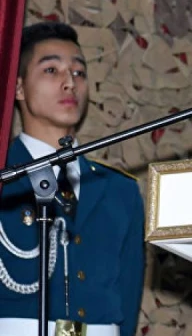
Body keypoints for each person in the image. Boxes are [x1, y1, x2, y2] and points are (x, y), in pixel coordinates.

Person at [0, 22, 144, 336]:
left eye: (79, 72)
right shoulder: (4, 180)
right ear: (19, 87)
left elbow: (128, 298)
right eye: (51, 70)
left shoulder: (120, 191)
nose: (70, 83)